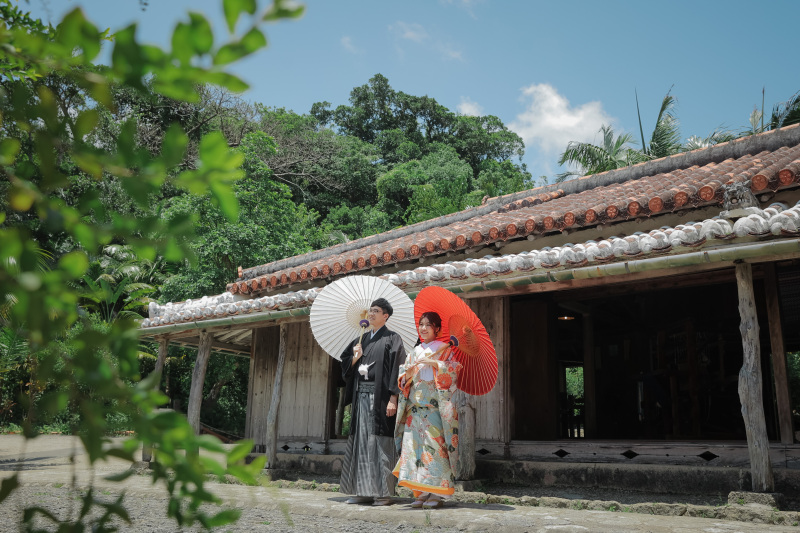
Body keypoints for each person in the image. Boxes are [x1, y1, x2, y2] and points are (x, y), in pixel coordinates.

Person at [339, 298, 407, 506]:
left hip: (381, 399)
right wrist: (354, 358)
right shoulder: (360, 340)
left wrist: (393, 398)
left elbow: (398, 369)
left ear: (385, 316)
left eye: (375, 311)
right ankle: (361, 491)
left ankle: (383, 493)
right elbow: (346, 370)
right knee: (361, 442)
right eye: (370, 311)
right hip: (361, 397)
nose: (371, 314)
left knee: (379, 444)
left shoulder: (392, 339)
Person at [393, 311, 461, 509]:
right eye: (421, 325)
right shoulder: (414, 351)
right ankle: (421, 492)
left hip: (434, 408)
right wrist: (408, 374)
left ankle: (437, 493)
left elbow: (454, 370)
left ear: (437, 329)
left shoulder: (445, 349)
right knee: (414, 451)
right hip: (415, 409)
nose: (423, 328)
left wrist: (437, 364)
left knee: (436, 449)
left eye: (428, 325)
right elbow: (403, 379)